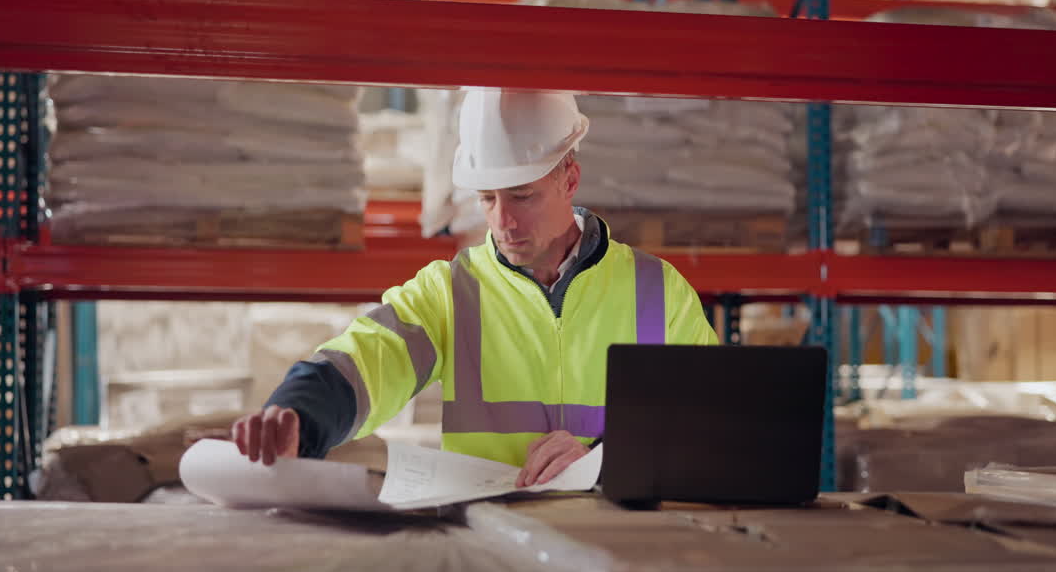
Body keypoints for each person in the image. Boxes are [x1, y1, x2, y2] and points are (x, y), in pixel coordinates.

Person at [232, 89, 717, 487]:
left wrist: (600, 463)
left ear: (570, 177)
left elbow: (713, 427)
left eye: (522, 196)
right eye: (487, 199)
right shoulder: (452, 293)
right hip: (495, 545)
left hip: (626, 546)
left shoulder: (658, 291)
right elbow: (366, 359)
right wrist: (298, 412)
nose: (503, 221)